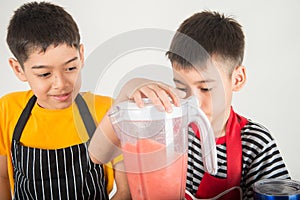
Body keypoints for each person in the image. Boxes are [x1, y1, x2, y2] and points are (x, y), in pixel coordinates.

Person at [88, 11, 290, 199]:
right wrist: (128, 90)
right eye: (182, 88)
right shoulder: (164, 129)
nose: (194, 102)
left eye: (205, 89)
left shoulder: (256, 144)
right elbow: (98, 155)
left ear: (237, 79)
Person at [0, 2, 131, 199]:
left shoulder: (106, 110)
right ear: (18, 69)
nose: (61, 84)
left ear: (81, 55)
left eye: (70, 68)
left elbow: (126, 190)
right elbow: (2, 176)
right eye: (44, 74)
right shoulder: (7, 109)